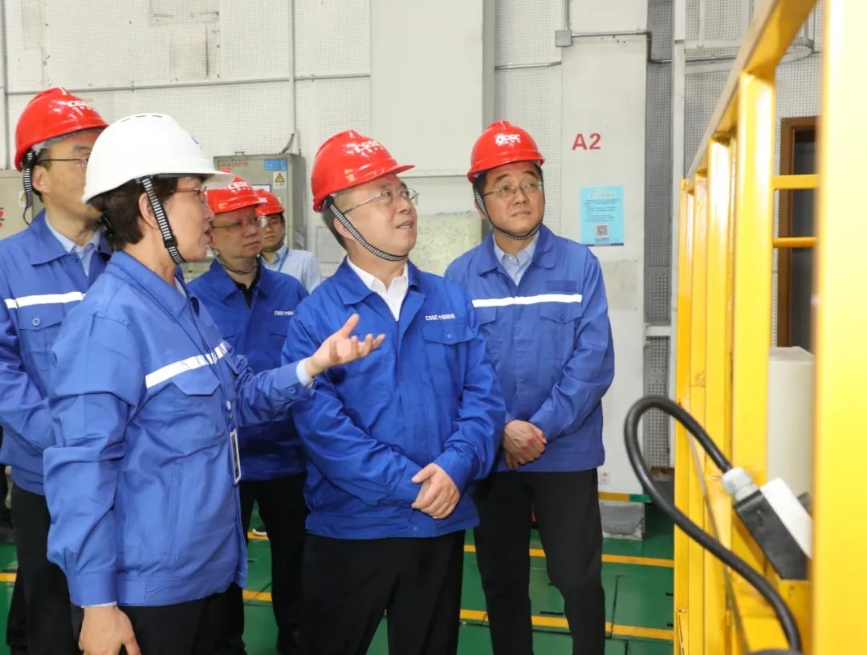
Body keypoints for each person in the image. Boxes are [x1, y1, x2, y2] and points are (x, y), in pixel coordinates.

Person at [41, 113, 383, 655]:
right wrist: (98, 605)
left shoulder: (183, 303)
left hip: (208, 574)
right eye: (196, 194)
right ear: (149, 208)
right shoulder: (108, 322)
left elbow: (237, 398)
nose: (208, 210)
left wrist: (312, 366)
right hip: (147, 595)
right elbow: (82, 471)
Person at [282, 129, 505, 655]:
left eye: (403, 192)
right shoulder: (315, 317)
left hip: (437, 526)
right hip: (352, 529)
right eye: (383, 195)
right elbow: (324, 431)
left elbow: (484, 398)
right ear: (342, 221)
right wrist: (413, 487)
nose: (403, 205)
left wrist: (454, 467)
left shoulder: (450, 298)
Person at [445, 120, 615, 655]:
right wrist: (500, 429)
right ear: (480, 203)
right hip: (493, 456)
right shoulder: (459, 278)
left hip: (565, 452)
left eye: (529, 182)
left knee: (577, 577)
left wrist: (537, 429)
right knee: (501, 581)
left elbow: (593, 362)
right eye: (503, 186)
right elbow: (455, 369)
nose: (519, 196)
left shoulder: (579, 265)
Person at [0, 87, 110, 655]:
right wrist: (68, 441)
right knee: (51, 623)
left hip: (126, 477)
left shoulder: (134, 260)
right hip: (47, 482)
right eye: (83, 156)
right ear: (38, 176)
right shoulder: (7, 265)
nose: (98, 168)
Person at [190, 175, 309, 655]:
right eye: (235, 224)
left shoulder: (290, 292)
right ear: (210, 235)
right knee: (223, 568)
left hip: (288, 457)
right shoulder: (193, 299)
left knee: (297, 564)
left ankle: (295, 642)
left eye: (253, 220)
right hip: (226, 462)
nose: (251, 231)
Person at [258, 189, 323, 292]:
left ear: (283, 225)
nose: (268, 229)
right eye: (262, 224)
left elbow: (317, 299)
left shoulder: (304, 262)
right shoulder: (247, 266)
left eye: (274, 222)